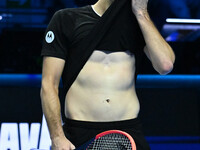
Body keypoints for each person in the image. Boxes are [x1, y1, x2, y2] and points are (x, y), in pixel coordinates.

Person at [40, 0, 175, 150]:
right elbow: (49, 84)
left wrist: (142, 14)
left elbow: (165, 65)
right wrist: (57, 136)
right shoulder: (66, 19)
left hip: (129, 132)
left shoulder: (139, 24)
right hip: (80, 133)